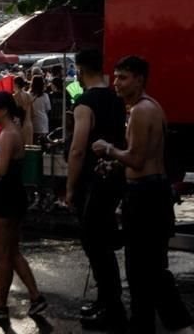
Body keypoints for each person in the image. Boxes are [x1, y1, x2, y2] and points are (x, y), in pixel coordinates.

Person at [92, 56, 194, 334]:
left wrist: (108, 150)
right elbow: (143, 156)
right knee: (149, 272)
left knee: (143, 273)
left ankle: (174, 326)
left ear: (139, 79)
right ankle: (170, 326)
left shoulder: (141, 110)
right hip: (151, 194)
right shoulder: (149, 107)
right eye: (114, 77)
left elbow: (137, 160)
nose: (116, 83)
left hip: (146, 197)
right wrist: (116, 163)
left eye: (122, 77)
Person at [65, 49, 127, 329]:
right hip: (114, 176)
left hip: (92, 181)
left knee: (94, 243)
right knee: (102, 243)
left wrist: (69, 187)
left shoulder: (85, 103)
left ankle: (111, 305)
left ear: (80, 70)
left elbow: (78, 149)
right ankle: (107, 300)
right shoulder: (117, 99)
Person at [0, 91, 47, 321]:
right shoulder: (12, 132)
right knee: (12, 252)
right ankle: (35, 297)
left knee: (3, 254)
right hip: (14, 196)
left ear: (4, 110)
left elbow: (0, 169)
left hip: (4, 198)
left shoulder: (7, 135)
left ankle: (0, 305)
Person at [30, 75, 51, 143]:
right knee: (42, 143)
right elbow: (48, 109)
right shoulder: (45, 96)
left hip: (32, 122)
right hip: (43, 123)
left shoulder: (28, 95)